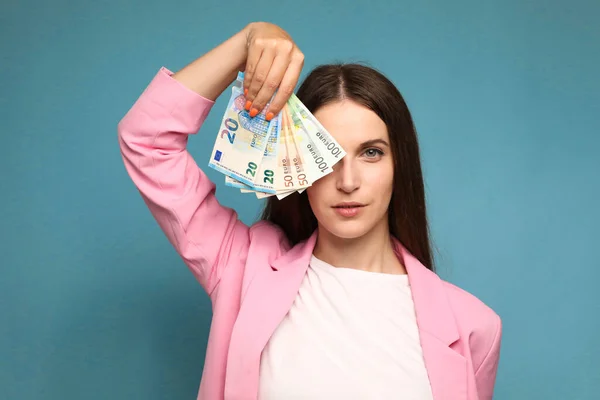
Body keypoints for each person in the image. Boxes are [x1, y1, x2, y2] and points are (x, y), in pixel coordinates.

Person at [118, 21, 502, 400]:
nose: (347, 181)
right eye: (328, 154)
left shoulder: (473, 326)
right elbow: (146, 141)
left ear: (399, 166)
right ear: (297, 165)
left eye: (371, 153)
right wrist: (247, 42)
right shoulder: (243, 268)